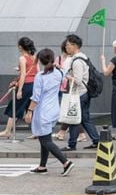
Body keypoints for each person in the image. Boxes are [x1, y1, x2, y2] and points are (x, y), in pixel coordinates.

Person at [25, 48, 74, 176]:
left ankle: (65, 162)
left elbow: (36, 97)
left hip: (43, 112)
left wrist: (29, 111)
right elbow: (64, 70)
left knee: (46, 140)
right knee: (44, 138)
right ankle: (42, 166)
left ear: (40, 61)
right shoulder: (59, 73)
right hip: (53, 110)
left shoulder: (40, 76)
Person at [62, 34, 100, 151]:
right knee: (80, 118)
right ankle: (94, 140)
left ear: (75, 45)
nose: (66, 47)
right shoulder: (83, 57)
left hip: (80, 93)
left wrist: (67, 76)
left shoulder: (77, 61)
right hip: (84, 93)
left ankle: (73, 144)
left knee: (77, 119)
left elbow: (78, 80)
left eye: (68, 45)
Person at [0, 37, 38, 139]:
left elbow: (23, 75)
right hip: (34, 85)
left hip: (26, 85)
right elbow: (37, 71)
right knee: (30, 108)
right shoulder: (34, 57)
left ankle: (8, 131)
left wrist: (19, 90)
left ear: (20, 47)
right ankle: (37, 132)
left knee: (14, 107)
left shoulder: (22, 58)